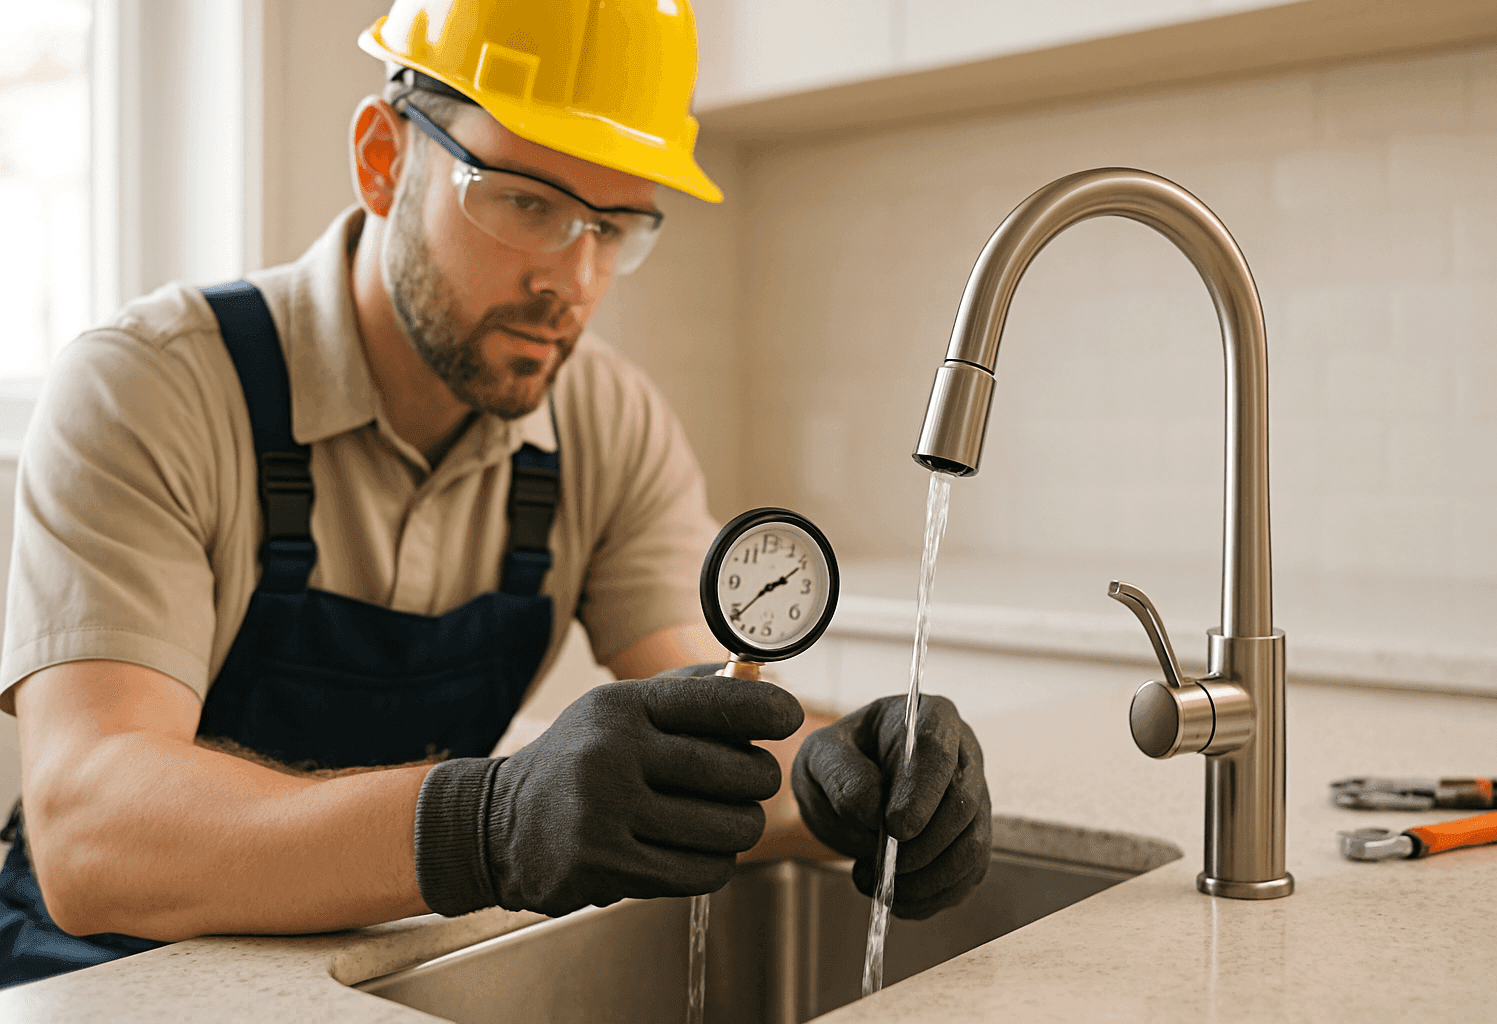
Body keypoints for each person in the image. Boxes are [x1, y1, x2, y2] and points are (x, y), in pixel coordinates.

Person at [0, 0, 991, 989]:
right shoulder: (149, 386)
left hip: (365, 979)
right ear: (384, 158)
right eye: (525, 201)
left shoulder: (606, 423)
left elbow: (716, 729)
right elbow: (93, 834)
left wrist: (842, 779)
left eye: (616, 225)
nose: (575, 277)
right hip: (97, 980)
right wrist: (489, 820)